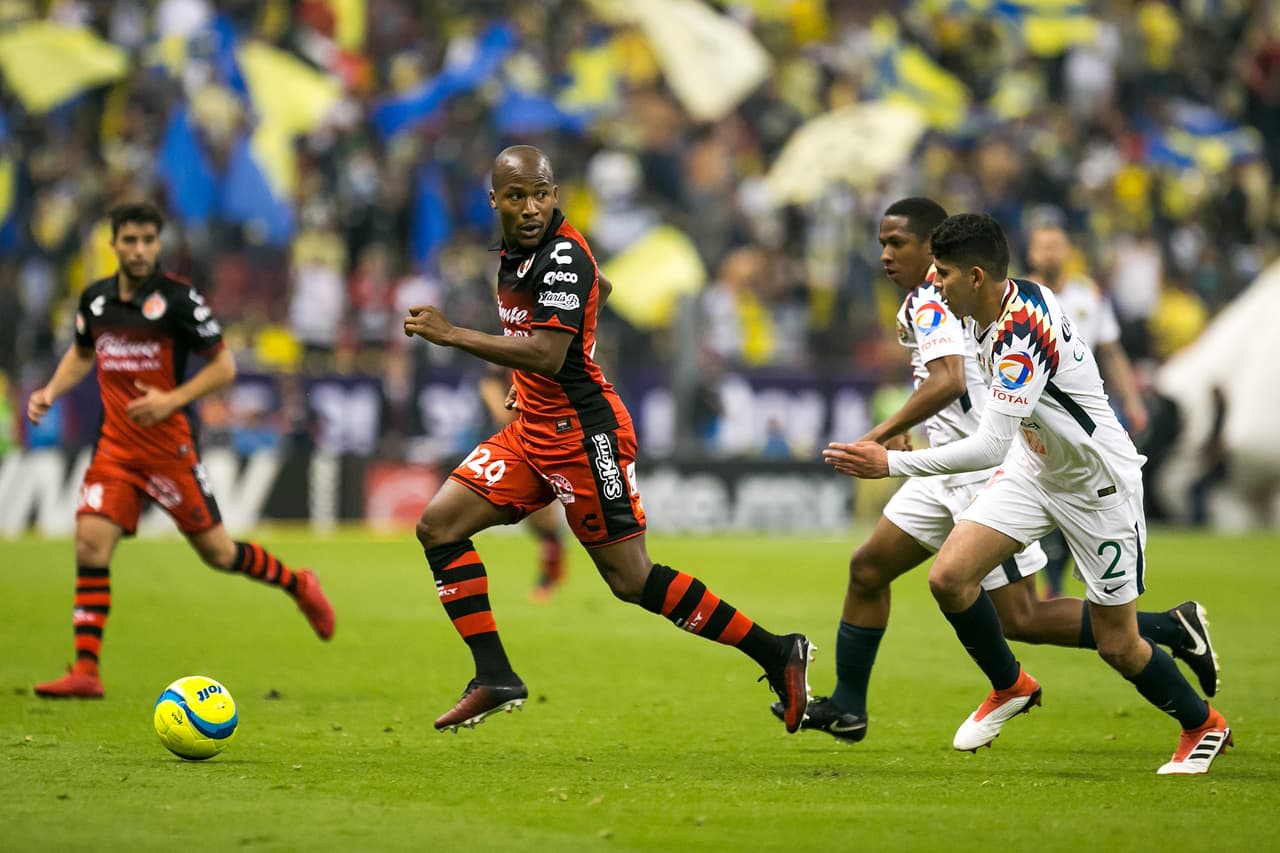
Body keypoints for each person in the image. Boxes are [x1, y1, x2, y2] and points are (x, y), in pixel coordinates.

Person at [773, 199, 1217, 743]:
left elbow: (954, 386)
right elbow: (952, 384)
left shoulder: (945, 305)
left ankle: (1163, 650)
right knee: (873, 569)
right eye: (883, 244)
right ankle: (853, 703)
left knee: (1027, 619)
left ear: (949, 257)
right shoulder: (961, 300)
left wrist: (881, 451)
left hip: (1007, 472)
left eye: (899, 245)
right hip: (968, 467)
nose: (886, 256)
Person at [403, 146, 811, 733]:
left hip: (583, 435)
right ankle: (494, 676)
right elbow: (604, 290)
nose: (530, 207)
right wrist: (544, 370)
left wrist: (455, 334)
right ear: (495, 200)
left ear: (555, 193)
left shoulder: (562, 255)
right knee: (438, 526)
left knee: (631, 580)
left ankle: (778, 653)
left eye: (541, 193)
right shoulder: (521, 253)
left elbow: (547, 349)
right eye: (516, 196)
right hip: (533, 429)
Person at [28, 201, 335, 699]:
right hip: (116, 450)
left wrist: (172, 399)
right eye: (130, 240)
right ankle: (86, 669)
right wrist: (50, 391)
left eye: (149, 240)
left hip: (170, 450)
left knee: (218, 553)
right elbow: (83, 351)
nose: (140, 249)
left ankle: (300, 584)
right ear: (114, 244)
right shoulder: (97, 301)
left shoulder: (178, 301)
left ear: (159, 244)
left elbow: (223, 368)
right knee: (89, 542)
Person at [1026, 221, 1149, 597]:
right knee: (1043, 486)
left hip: (1089, 412)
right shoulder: (1019, 297)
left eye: (1056, 245)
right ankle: (1048, 581)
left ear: (1067, 251)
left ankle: (1104, 569)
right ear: (1031, 252)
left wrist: (1132, 400)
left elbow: (1111, 352)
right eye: (1042, 246)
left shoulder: (1089, 296)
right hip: (1038, 413)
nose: (1049, 253)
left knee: (1091, 488)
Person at [476, 365, 568, 601]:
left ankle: (549, 575)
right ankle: (553, 560)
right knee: (533, 519)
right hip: (513, 440)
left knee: (544, 513)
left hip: (544, 439)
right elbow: (488, 384)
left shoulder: (547, 351)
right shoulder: (507, 350)